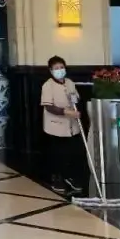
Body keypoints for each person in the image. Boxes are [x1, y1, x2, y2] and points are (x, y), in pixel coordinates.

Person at [40, 55, 87, 195]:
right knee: (58, 154)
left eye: (61, 67)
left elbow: (75, 98)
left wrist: (75, 108)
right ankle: (57, 179)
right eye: (56, 68)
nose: (60, 70)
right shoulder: (48, 85)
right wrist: (66, 112)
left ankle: (70, 177)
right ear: (51, 70)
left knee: (73, 153)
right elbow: (48, 106)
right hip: (55, 126)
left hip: (72, 126)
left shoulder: (70, 82)